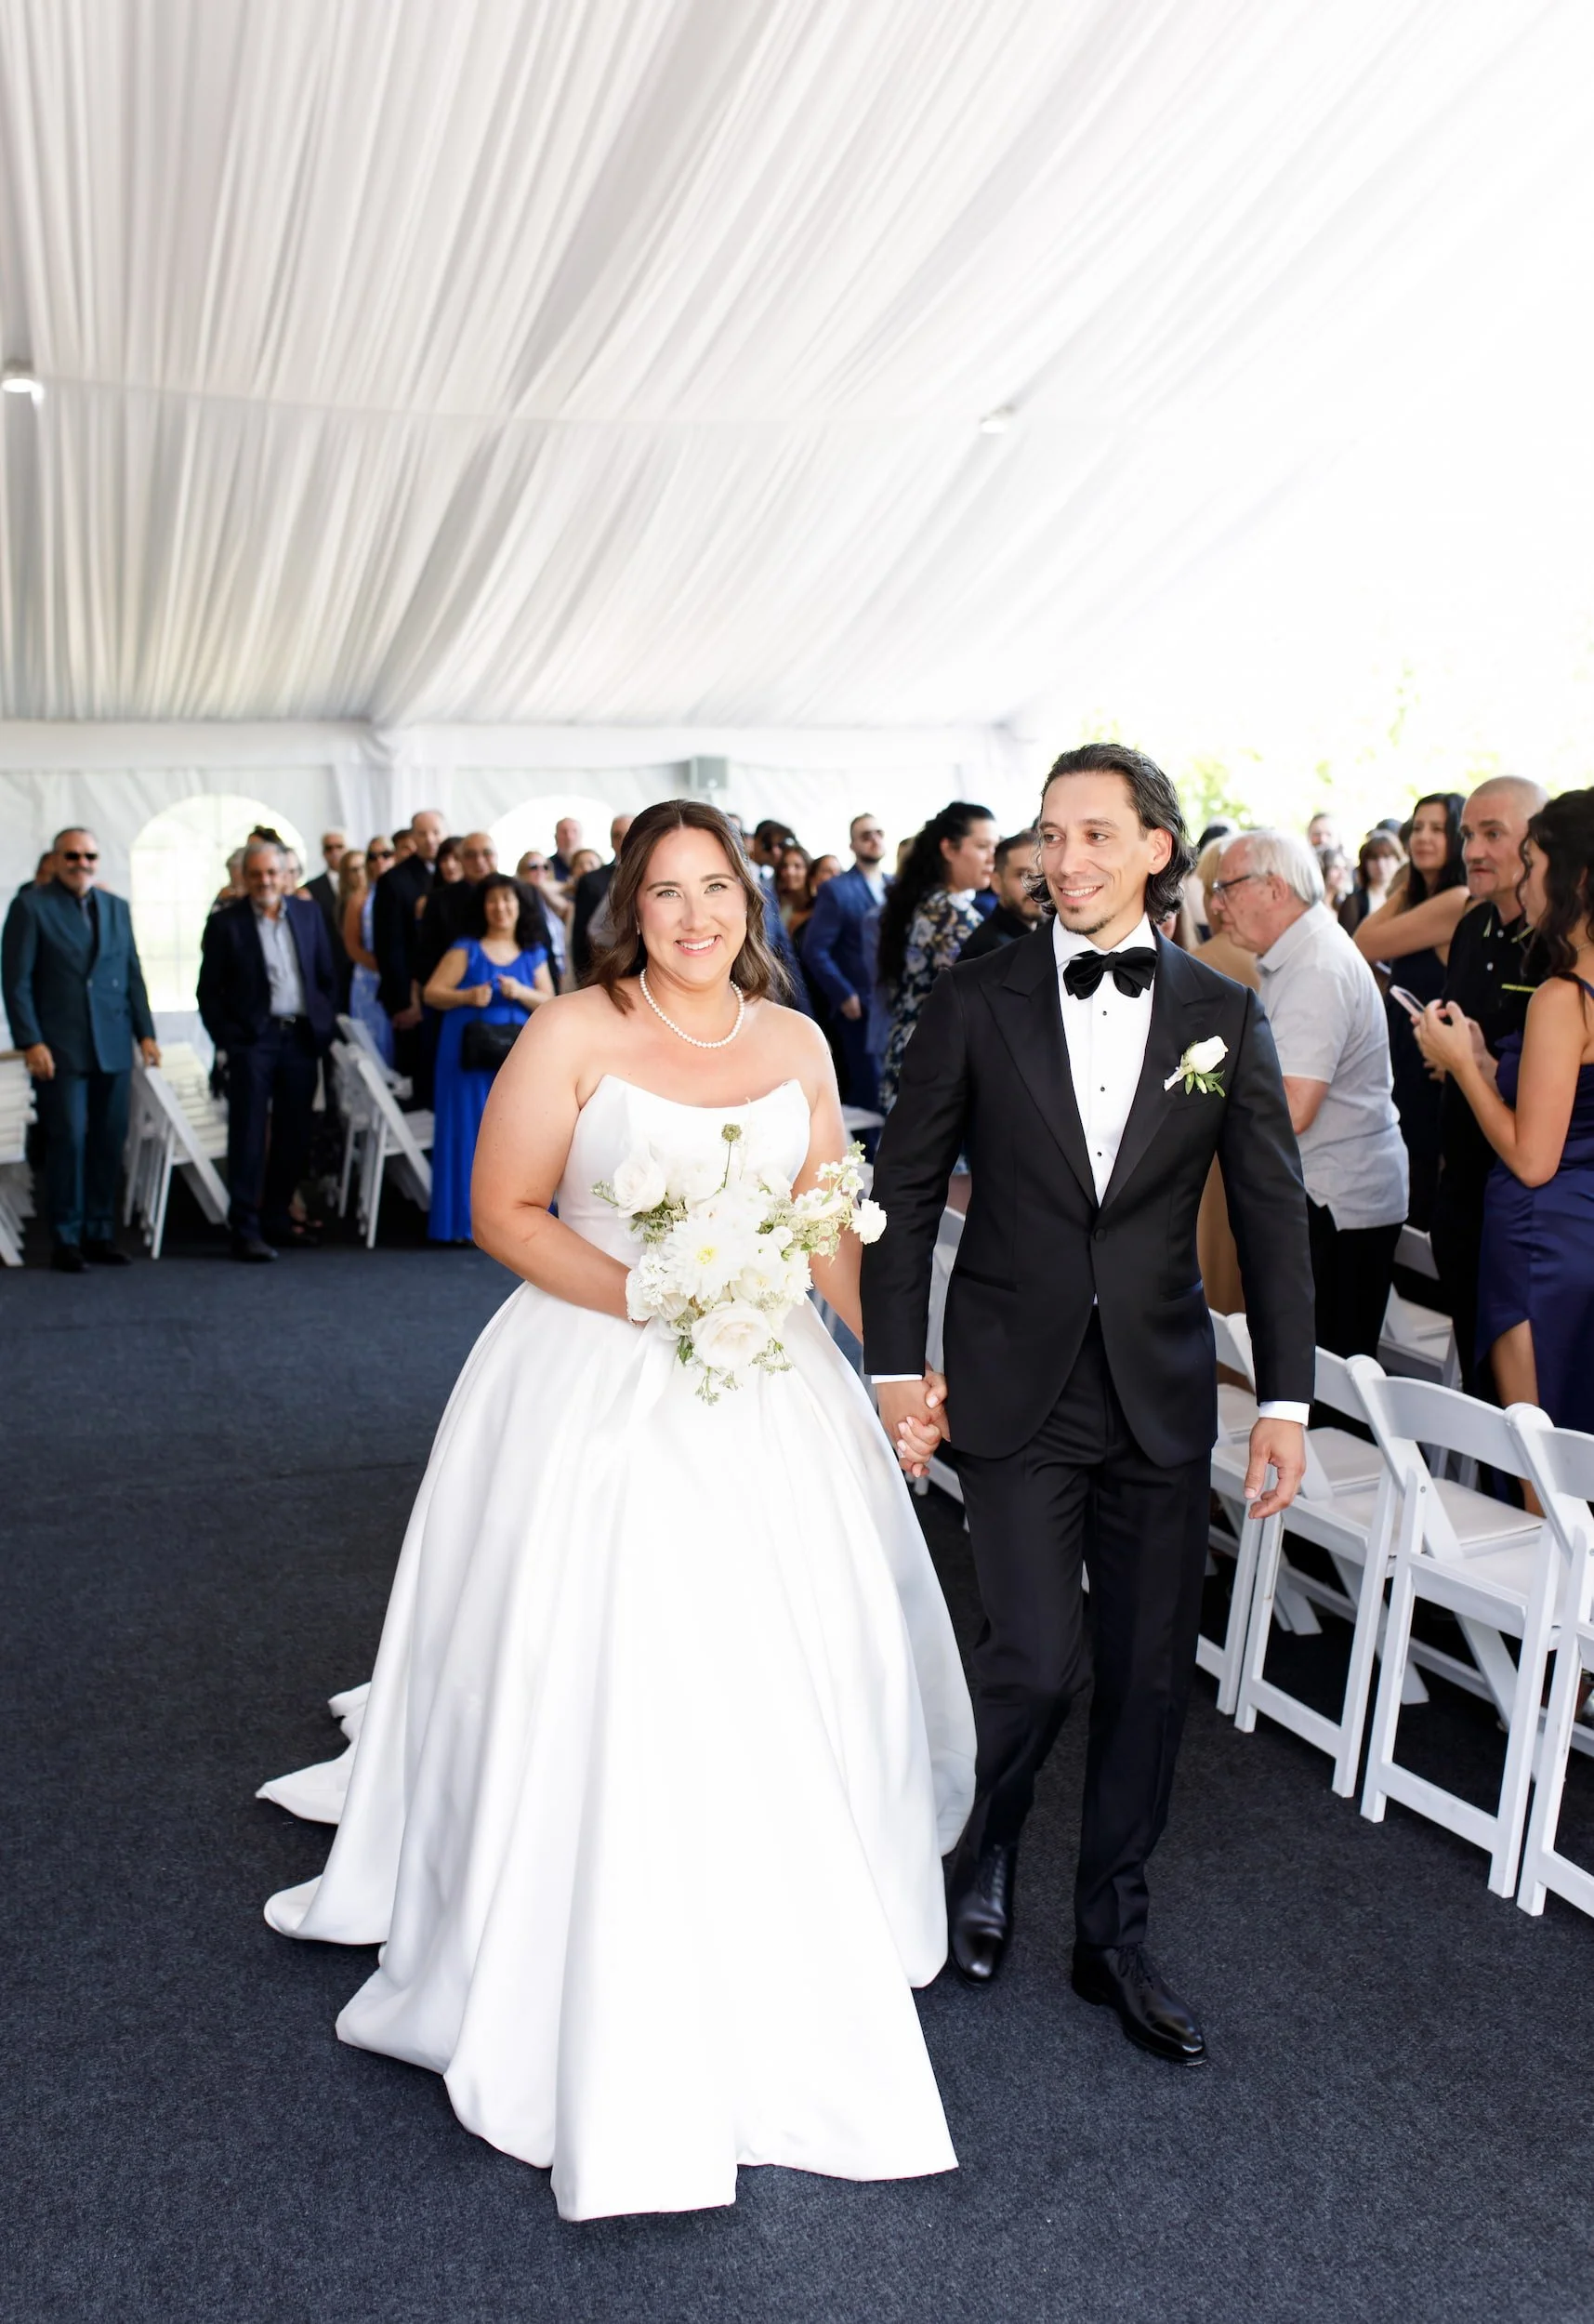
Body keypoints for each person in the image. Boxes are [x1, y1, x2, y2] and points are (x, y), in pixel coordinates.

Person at [258, 799, 975, 2221]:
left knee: (795, 1641)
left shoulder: (791, 1044)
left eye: (718, 890)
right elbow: (505, 1210)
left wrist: (890, 1372)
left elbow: (828, 1216)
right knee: (618, 1640)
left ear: (749, 906)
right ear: (626, 912)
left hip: (770, 1380)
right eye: (666, 894)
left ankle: (785, 1915)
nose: (698, 916)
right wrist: (652, 1292)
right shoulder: (573, 1030)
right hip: (593, 1366)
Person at [864, 744, 1311, 2068]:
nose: (1065, 860)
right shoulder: (973, 996)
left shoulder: (1219, 1013)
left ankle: (1106, 1930)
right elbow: (898, 1192)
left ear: (1156, 850)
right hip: (1011, 1380)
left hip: (1161, 1395)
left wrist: (1282, 1397)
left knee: (1140, 1679)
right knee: (1030, 1662)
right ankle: (983, 1848)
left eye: (1095, 835)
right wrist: (895, 1365)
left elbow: (1276, 1221)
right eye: (1050, 835)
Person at [1416, 786, 1594, 1431]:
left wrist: (1463, 1068)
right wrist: (1491, 1069)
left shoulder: (1561, 995)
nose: (1526, 883)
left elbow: (1530, 1159)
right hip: (1581, 1232)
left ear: (1573, 878)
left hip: (1539, 1240)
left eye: (1534, 863)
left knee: (1540, 1471)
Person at [1219, 829, 1407, 1355]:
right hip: (1331, 1191)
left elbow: (1293, 1107)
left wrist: (1203, 1091)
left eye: (1227, 887)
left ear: (1274, 889)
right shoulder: (1299, 952)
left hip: (1335, 1200)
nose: (1216, 904)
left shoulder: (1315, 965)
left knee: (1327, 1378)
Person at [1423, 777, 1548, 1397]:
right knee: (1476, 1378)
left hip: (1527, 1199)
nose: (1472, 850)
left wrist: (1471, 1061)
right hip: (1461, 1187)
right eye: (1467, 834)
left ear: (1537, 843)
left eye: (1491, 834)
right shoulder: (1471, 928)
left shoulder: (1556, 948)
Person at [2, 825, 160, 1271]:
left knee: (109, 1141)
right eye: (72, 856)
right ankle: (66, 1236)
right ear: (55, 860)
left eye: (89, 856)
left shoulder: (116, 908)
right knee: (68, 1139)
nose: (82, 864)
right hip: (60, 1046)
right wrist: (30, 1040)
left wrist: (145, 1032)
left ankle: (100, 1231)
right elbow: (17, 983)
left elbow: (132, 973)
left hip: (111, 1042)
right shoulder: (31, 908)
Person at [198, 838, 337, 1262]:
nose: (265, 881)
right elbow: (208, 992)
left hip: (300, 1038)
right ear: (244, 877)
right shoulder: (227, 923)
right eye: (256, 874)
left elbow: (327, 976)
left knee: (295, 1133)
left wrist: (323, 1026)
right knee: (249, 1135)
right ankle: (245, 1227)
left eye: (272, 873)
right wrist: (231, 1040)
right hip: (253, 1041)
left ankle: (277, 1218)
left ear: (285, 875)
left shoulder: (309, 913)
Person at [1354, 792, 1468, 1225]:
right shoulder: (1426, 896)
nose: (1423, 838)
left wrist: (1408, 887)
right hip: (1407, 1058)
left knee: (1420, 1192)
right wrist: (1414, 885)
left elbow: (1364, 942)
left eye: (1438, 829)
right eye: (1417, 828)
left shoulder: (1457, 898)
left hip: (1427, 1066)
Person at [423, 873, 556, 1243]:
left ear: (519, 906)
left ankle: (517, 1220)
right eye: (493, 901)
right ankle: (462, 1223)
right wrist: (466, 996)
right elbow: (433, 993)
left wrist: (521, 991)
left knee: (518, 1134)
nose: (501, 908)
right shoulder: (465, 948)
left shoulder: (533, 952)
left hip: (516, 1056)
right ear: (483, 908)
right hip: (465, 1056)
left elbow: (552, 1001)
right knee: (466, 1132)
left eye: (508, 900)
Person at [876, 802, 996, 1111]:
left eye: (995, 847)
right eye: (982, 846)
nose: (992, 858)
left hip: (911, 1052)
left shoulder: (926, 901)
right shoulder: (950, 913)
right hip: (936, 1063)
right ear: (949, 849)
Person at [1191, 838, 1261, 1314]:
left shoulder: (1205, 964)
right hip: (1251, 1132)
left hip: (1211, 1130)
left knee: (1214, 1248)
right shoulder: (1264, 956)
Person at [373, 809, 445, 1085]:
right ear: (412, 837)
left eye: (436, 832)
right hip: (414, 997)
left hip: (452, 993)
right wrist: (403, 1002)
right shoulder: (394, 880)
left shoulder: (454, 871)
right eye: (423, 833)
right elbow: (389, 946)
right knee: (419, 1076)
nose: (431, 840)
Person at [344, 838, 396, 1064]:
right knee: (372, 1047)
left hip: (395, 977)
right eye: (372, 856)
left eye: (385, 854)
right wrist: (381, 967)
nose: (379, 861)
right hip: (369, 978)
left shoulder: (399, 891)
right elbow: (352, 945)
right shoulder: (360, 898)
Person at [957, 830, 1042, 961]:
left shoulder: (1047, 932)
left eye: (1044, 874)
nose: (1037, 886)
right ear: (996, 882)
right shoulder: (988, 953)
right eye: (1023, 875)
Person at [571, 814, 634, 981]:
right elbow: (582, 934)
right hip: (604, 971)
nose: (623, 840)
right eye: (617, 835)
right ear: (611, 841)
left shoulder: (656, 872)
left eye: (628, 834)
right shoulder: (591, 880)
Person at [304, 830, 350, 1009]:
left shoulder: (363, 884)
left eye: (339, 846)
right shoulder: (312, 888)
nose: (335, 852)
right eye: (329, 848)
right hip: (330, 964)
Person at [1338, 829, 1405, 935]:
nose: (1381, 864)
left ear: (1398, 860)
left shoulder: (1408, 896)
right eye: (1374, 858)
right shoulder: (1354, 901)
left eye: (1387, 857)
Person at [517, 851, 568, 984]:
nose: (540, 871)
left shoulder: (552, 899)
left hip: (563, 966)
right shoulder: (517, 900)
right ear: (522, 871)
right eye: (534, 867)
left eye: (545, 867)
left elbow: (565, 910)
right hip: (537, 966)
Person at [774, 843, 814, 933]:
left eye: (797, 866)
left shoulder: (819, 906)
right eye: (785, 866)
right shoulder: (777, 904)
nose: (790, 872)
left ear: (808, 870)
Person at [549, 816, 583, 886]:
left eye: (574, 831)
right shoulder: (545, 867)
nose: (569, 837)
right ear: (555, 837)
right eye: (564, 832)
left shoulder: (594, 866)